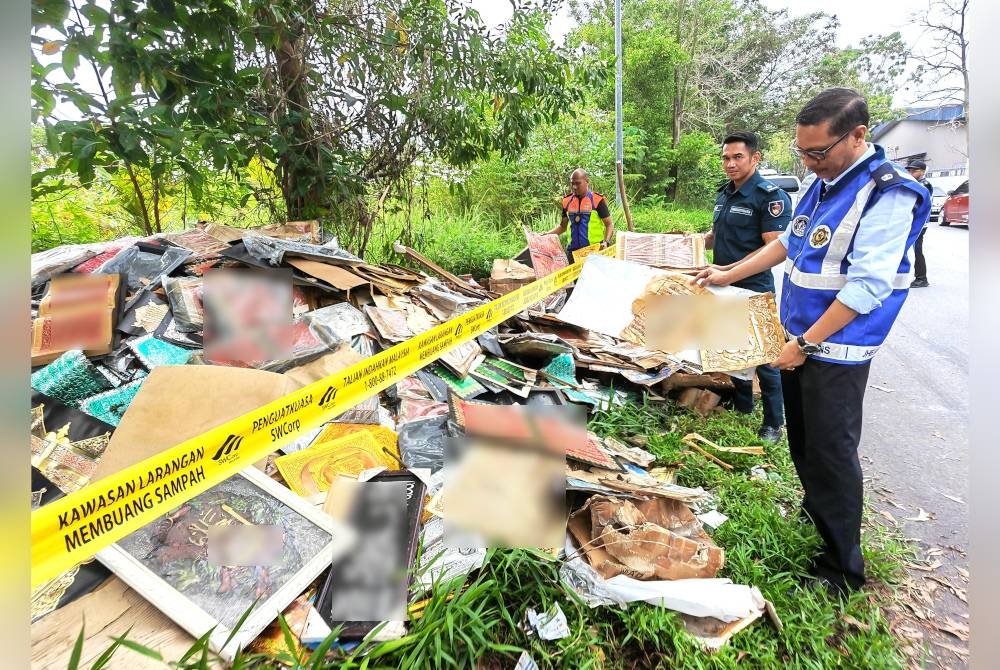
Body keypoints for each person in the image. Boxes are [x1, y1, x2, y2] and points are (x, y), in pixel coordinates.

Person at [692, 88, 930, 595]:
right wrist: (727, 273)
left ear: (858, 136)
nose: (808, 161)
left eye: (817, 152)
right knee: (805, 443)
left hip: (835, 349)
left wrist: (804, 344)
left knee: (830, 452)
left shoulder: (887, 193)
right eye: (802, 151)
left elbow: (868, 287)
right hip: (800, 338)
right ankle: (816, 514)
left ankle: (843, 570)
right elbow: (786, 244)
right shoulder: (820, 185)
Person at [704, 130, 792, 444]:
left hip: (753, 286)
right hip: (721, 282)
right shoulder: (725, 193)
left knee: (766, 357)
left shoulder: (770, 197)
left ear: (755, 158)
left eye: (737, 157)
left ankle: (773, 422)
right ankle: (742, 404)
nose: (730, 163)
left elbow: (772, 248)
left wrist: (730, 271)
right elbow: (716, 234)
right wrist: (692, 241)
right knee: (731, 346)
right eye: (726, 157)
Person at [546, 168, 614, 261]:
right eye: (572, 183)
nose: (574, 186)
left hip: (594, 252)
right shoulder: (566, 201)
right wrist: (546, 235)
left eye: (578, 183)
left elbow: (609, 224)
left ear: (587, 181)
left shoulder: (597, 200)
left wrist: (606, 242)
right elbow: (563, 227)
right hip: (573, 254)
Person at [905, 159, 933, 287]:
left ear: (922, 172)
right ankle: (920, 277)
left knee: (917, 250)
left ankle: (921, 278)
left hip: (920, 224)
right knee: (915, 249)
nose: (911, 173)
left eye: (914, 170)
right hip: (916, 223)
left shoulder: (924, 184)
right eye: (909, 170)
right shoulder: (918, 183)